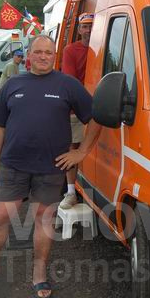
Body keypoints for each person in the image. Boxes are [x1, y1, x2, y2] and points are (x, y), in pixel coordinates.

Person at [0, 35, 100, 298]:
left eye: (48, 52)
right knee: (0, 217)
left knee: (43, 220)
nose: (43, 56)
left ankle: (39, 274)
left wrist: (81, 152)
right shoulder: (13, 84)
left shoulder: (67, 85)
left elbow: (95, 119)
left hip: (50, 170)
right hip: (13, 166)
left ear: (54, 55)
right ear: (29, 55)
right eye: (38, 52)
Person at [59, 13, 93, 210]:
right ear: (79, 29)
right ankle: (71, 192)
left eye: (92, 26)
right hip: (78, 108)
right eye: (85, 26)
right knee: (72, 148)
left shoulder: (104, 48)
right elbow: (70, 82)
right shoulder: (71, 50)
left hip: (102, 104)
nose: (88, 30)